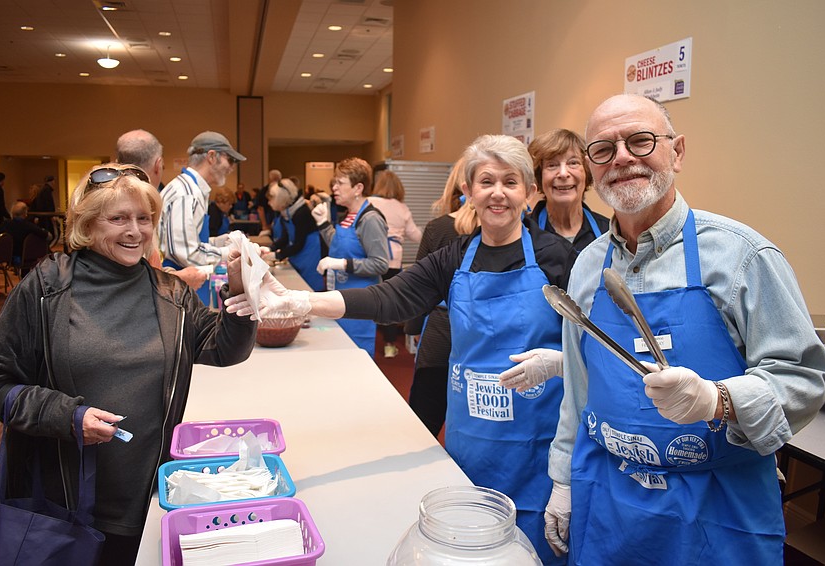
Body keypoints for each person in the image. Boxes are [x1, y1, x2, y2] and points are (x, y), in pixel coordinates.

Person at [230, 135, 577, 564]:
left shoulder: (558, 259)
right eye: (486, 181)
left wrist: (562, 365)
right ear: (468, 191)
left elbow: (593, 348)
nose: (498, 193)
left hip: (537, 449)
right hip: (471, 441)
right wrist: (302, 301)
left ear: (529, 192)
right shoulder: (453, 258)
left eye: (510, 182)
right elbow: (389, 298)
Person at [541, 94, 825, 564]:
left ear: (676, 152)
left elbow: (804, 377)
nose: (622, 158)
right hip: (608, 499)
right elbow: (578, 391)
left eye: (640, 141)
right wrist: (562, 480)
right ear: (593, 168)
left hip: (718, 511)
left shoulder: (742, 257)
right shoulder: (588, 265)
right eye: (603, 149)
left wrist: (719, 399)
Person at [0, 163, 258, 566]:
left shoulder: (171, 293)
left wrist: (239, 288)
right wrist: (67, 416)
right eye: (119, 219)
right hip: (64, 498)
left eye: (144, 218)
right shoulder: (46, 288)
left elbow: (224, 349)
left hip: (145, 494)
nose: (135, 231)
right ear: (88, 224)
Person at [405, 158, 477, 437]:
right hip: (487, 336)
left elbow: (418, 288)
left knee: (424, 419)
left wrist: (413, 329)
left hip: (441, 331)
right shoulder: (513, 232)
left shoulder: (438, 228)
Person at [307, 157, 390, 358]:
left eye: (340, 183)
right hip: (341, 298)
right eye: (334, 182)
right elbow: (339, 245)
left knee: (356, 355)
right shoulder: (348, 216)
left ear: (358, 188)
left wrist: (342, 264)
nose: (334, 188)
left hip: (359, 303)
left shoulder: (370, 219)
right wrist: (323, 224)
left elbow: (380, 264)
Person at [115, 129, 209, 293]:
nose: (135, 230)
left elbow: (148, 266)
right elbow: (129, 280)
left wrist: (170, 274)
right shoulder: (139, 209)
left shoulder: (113, 205)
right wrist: (177, 279)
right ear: (158, 165)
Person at [157, 130, 246, 304]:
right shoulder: (186, 194)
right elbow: (186, 252)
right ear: (211, 157)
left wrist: (220, 241)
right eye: (230, 160)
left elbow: (188, 240)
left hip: (192, 290)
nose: (232, 168)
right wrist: (230, 252)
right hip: (181, 291)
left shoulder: (193, 190)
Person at [368, 170, 423, 357]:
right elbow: (416, 235)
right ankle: (389, 346)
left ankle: (366, 338)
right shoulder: (402, 208)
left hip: (372, 257)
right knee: (391, 300)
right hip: (393, 259)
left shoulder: (369, 203)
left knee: (369, 296)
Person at [528, 129, 609, 253]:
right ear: (539, 176)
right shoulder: (522, 232)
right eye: (552, 165)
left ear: (587, 171)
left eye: (573, 163)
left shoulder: (609, 232)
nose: (563, 173)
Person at [267, 177, 323, 291]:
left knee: (309, 289)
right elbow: (286, 237)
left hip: (310, 255)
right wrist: (271, 248)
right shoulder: (287, 212)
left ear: (281, 199)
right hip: (299, 253)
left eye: (272, 199)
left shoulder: (301, 213)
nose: (269, 203)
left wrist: (277, 255)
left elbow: (299, 243)